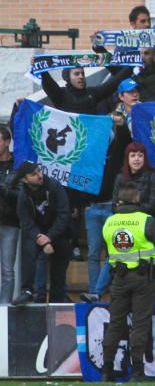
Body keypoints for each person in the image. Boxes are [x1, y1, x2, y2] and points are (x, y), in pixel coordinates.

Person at [99, 181, 155, 381]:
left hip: (118, 279)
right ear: (137, 198)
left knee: (115, 323)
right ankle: (137, 372)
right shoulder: (146, 220)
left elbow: (107, 248)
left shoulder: (109, 222)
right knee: (139, 324)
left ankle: (107, 370)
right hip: (142, 279)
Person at [12, 162, 71, 304]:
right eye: (34, 174)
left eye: (39, 171)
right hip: (38, 233)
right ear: (24, 180)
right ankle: (27, 291)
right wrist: (40, 238)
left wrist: (49, 237)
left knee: (60, 264)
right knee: (28, 247)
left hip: (58, 232)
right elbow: (25, 221)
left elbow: (64, 214)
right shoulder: (23, 195)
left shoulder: (54, 186)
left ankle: (58, 298)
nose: (40, 175)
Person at [0, 127, 18, 304]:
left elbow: (20, 194)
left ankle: (3, 309)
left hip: (9, 222)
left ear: (7, 142)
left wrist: (3, 188)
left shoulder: (16, 165)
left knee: (7, 270)